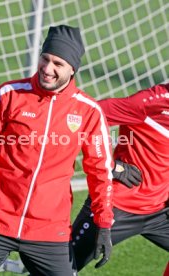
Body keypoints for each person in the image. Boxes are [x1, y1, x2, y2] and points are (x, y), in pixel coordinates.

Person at [0, 25, 114, 276]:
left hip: (49, 230)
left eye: (58, 64)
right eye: (45, 59)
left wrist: (103, 224)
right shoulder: (9, 94)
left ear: (72, 69)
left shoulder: (89, 111)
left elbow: (100, 170)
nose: (47, 69)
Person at [72, 83, 169, 273]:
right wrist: (109, 165)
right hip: (116, 207)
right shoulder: (148, 102)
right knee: (60, 269)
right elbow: (81, 119)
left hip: (160, 212)